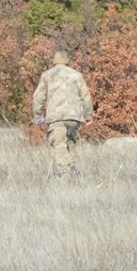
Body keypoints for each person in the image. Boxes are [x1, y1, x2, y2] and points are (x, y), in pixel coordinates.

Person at [32, 51, 94, 179]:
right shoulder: (77, 75)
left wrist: (38, 116)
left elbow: (38, 97)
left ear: (54, 61)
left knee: (59, 145)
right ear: (67, 61)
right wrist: (88, 115)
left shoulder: (47, 75)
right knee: (71, 143)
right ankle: (73, 172)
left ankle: (65, 176)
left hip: (56, 117)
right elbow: (86, 97)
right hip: (74, 117)